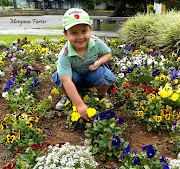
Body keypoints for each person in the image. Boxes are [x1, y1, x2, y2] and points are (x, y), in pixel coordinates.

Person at [52, 8, 116, 121]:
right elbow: (66, 80)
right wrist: (80, 105)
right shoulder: (65, 54)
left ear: (90, 29)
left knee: (104, 73)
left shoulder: (97, 43)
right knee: (59, 77)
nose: (80, 37)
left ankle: (102, 95)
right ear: (65, 34)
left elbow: (107, 54)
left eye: (84, 31)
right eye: (74, 33)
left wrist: (99, 62)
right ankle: (67, 95)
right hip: (74, 78)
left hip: (92, 74)